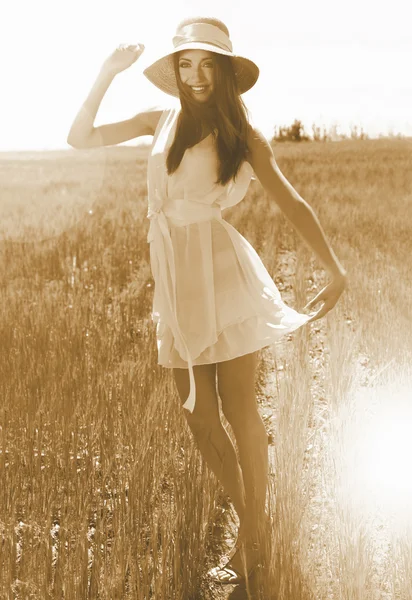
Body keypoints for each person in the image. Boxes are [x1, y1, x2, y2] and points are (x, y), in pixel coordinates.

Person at [67, 16, 347, 586]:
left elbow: (291, 202)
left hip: (221, 268)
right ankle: (253, 522)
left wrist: (334, 268)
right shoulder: (158, 119)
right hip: (174, 277)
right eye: (186, 63)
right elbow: (80, 137)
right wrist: (105, 73)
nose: (195, 75)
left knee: (240, 407)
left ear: (223, 71)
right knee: (197, 415)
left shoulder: (243, 134)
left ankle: (253, 533)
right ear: (176, 70)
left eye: (206, 63)